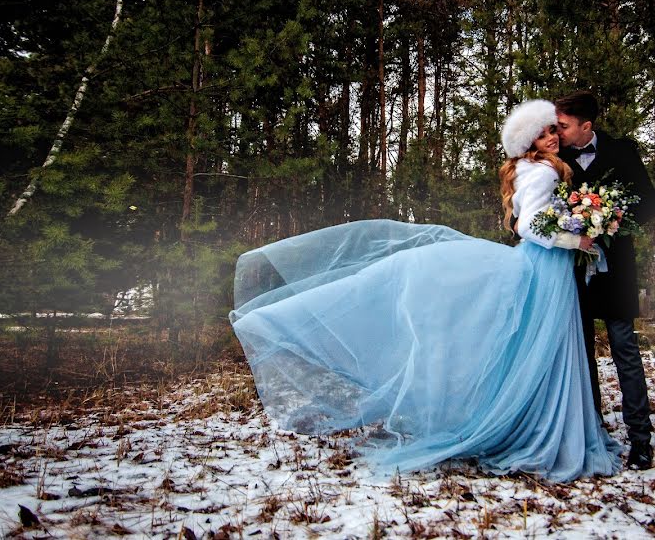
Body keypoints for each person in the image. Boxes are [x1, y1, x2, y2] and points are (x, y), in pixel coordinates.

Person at [229, 99, 620, 482]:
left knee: (538, 349)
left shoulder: (529, 169)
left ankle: (539, 421)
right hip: (546, 266)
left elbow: (522, 224)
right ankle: (543, 430)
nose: (552, 137)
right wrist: (576, 240)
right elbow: (531, 227)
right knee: (546, 348)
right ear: (529, 142)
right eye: (544, 133)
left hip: (546, 266)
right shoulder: (544, 172)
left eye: (554, 130)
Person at [555, 90, 655, 470]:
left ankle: (641, 439)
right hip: (571, 272)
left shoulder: (622, 151)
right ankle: (593, 430)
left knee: (624, 352)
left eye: (564, 126)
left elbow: (649, 202)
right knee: (582, 357)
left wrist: (612, 218)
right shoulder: (556, 157)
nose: (558, 132)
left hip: (616, 271)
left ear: (587, 126)